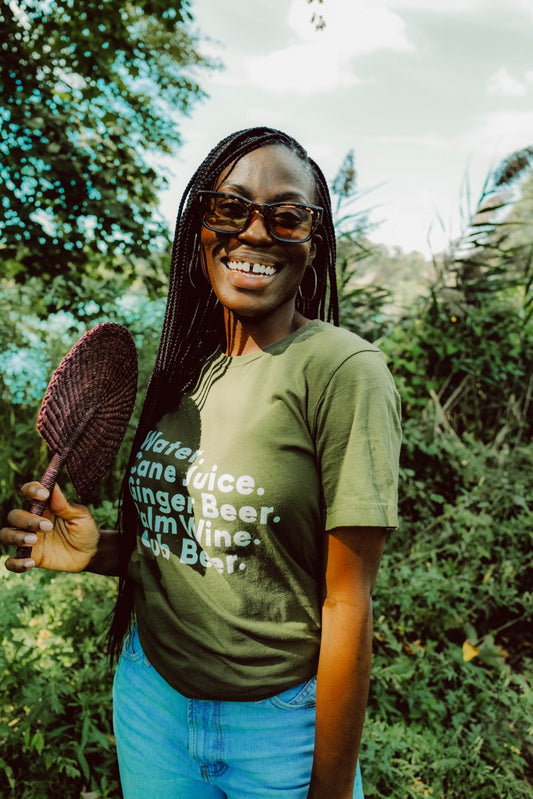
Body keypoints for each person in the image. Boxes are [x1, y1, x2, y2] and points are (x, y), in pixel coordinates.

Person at [1, 126, 401, 798]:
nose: (254, 231)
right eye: (229, 207)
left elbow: (346, 601)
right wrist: (96, 551)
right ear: (199, 227)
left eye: (286, 215)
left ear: (314, 239)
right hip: (152, 702)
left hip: (276, 733)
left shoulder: (342, 370)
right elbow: (200, 549)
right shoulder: (185, 370)